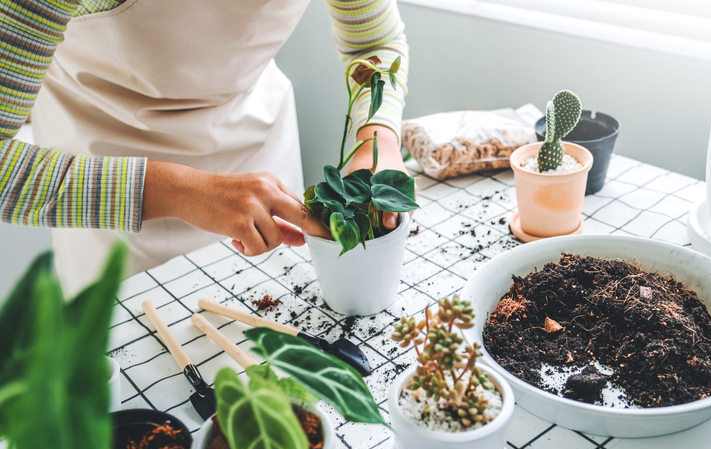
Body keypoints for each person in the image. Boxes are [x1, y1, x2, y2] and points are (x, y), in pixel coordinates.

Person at [0, 0, 409, 296]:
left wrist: (378, 135)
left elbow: (372, 41)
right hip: (114, 188)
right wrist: (181, 190)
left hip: (260, 151)